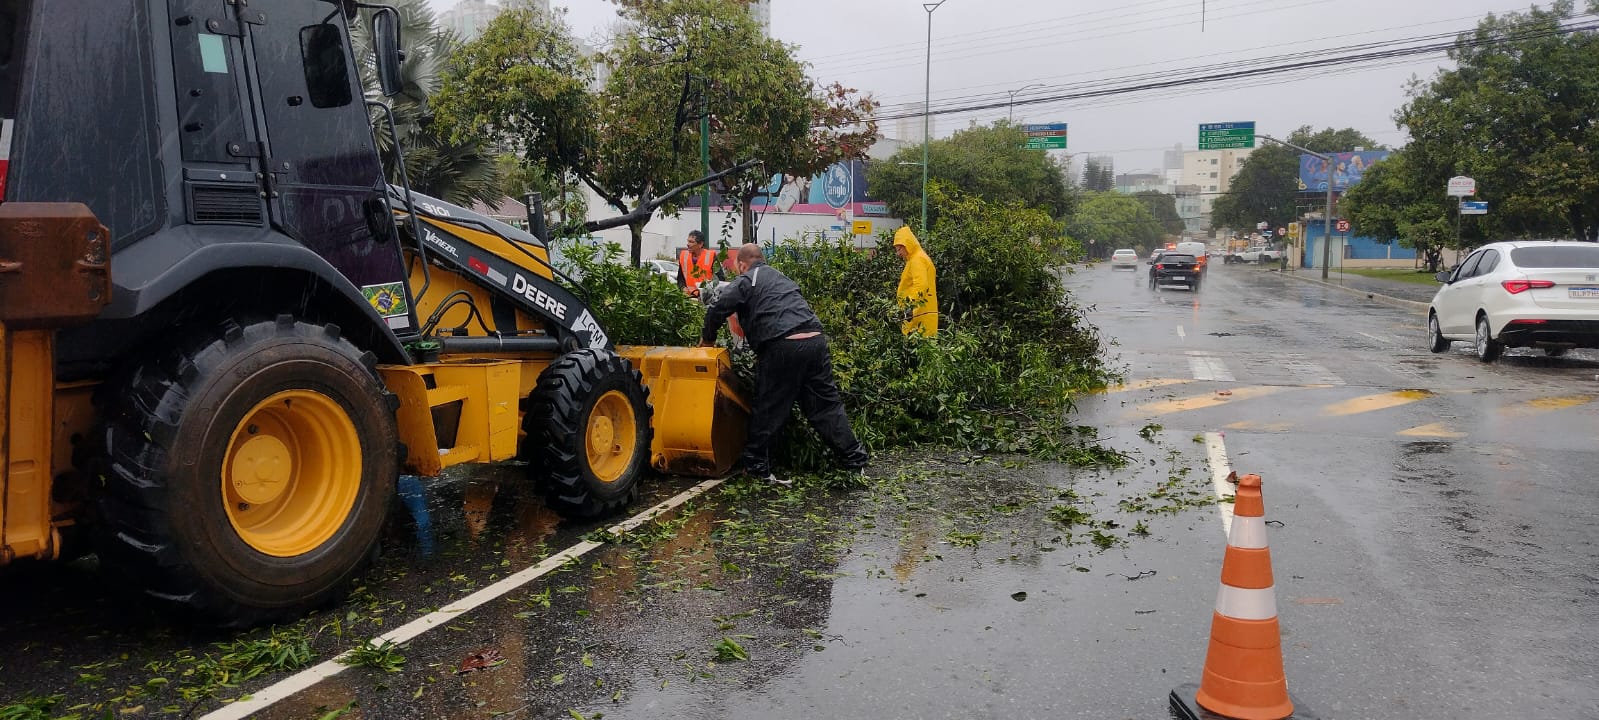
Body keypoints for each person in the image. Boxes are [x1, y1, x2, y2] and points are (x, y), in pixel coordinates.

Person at [700, 244, 869, 484]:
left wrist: (707, 340)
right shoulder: (782, 278)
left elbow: (718, 307)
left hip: (783, 345)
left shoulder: (748, 279)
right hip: (815, 341)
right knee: (826, 407)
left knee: (768, 407)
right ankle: (855, 460)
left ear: (742, 265)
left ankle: (757, 467)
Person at [892, 226, 938, 336]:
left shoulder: (917, 260)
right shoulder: (916, 258)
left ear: (907, 245)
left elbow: (921, 286)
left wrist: (910, 308)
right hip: (920, 316)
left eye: (899, 249)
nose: (898, 253)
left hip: (919, 319)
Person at [677, 230, 718, 297]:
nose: (688, 244)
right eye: (688, 241)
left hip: (706, 297)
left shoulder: (711, 256)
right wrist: (683, 287)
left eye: (691, 242)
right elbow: (680, 278)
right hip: (688, 297)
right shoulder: (684, 256)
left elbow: (719, 279)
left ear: (700, 244)